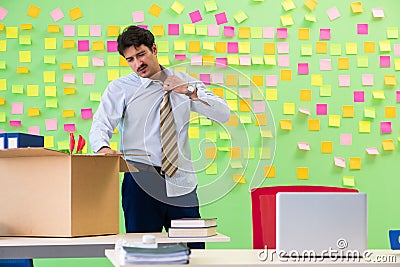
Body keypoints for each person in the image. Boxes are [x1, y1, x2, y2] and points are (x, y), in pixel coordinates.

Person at [89, 25, 230, 249]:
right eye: (130, 59)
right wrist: (102, 148)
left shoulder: (185, 82)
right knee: (142, 253)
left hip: (181, 183)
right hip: (139, 182)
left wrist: (189, 92)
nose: (137, 64)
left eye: (141, 54)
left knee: (194, 252)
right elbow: (100, 124)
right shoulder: (121, 88)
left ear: (154, 49)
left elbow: (223, 114)